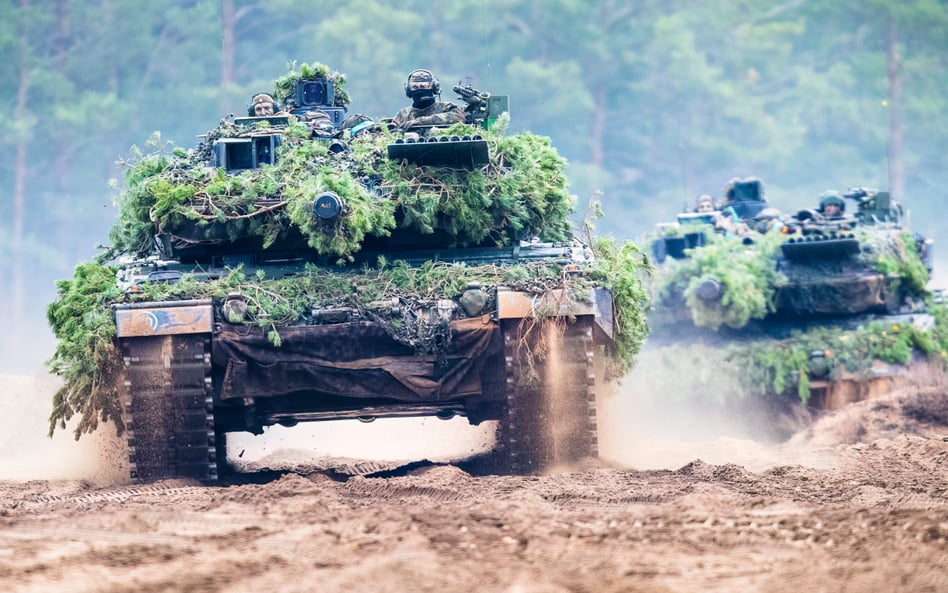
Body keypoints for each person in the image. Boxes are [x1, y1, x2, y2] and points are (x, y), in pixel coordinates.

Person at [391, 69, 464, 132]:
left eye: (423, 86)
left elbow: (459, 117)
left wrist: (421, 121)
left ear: (433, 88)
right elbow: (390, 131)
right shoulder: (403, 114)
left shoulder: (445, 107)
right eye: (415, 87)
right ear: (409, 90)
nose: (419, 90)